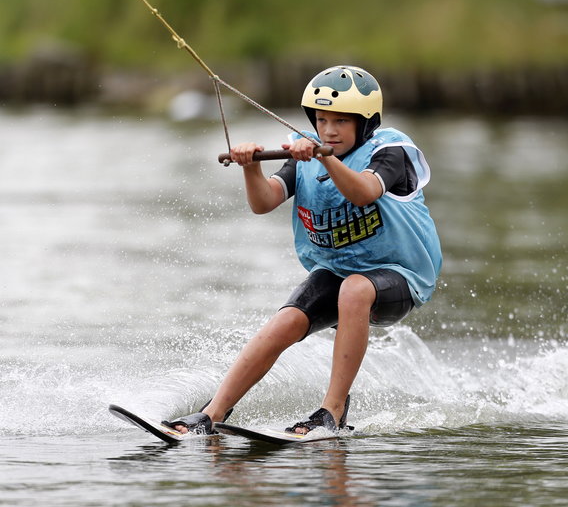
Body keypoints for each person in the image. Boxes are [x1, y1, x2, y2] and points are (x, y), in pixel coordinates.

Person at [163, 65, 442, 435]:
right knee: (286, 321)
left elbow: (363, 192)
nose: (329, 130)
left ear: (366, 123)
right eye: (322, 120)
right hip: (338, 272)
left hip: (401, 275)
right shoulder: (303, 153)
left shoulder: (391, 152)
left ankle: (333, 412)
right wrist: (249, 167)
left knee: (355, 289)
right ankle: (211, 415)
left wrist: (324, 157)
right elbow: (264, 202)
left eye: (341, 122)